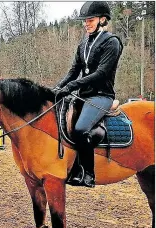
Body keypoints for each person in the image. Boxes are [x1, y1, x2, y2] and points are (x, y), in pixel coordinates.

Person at [53, 1, 123, 187]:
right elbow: (73, 70)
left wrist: (73, 85)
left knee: (80, 129)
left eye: (90, 20)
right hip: (82, 96)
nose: (86, 23)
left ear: (102, 19)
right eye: (85, 21)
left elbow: (101, 74)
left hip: (101, 96)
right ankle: (73, 168)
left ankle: (88, 174)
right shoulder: (84, 42)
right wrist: (58, 88)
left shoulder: (112, 42)